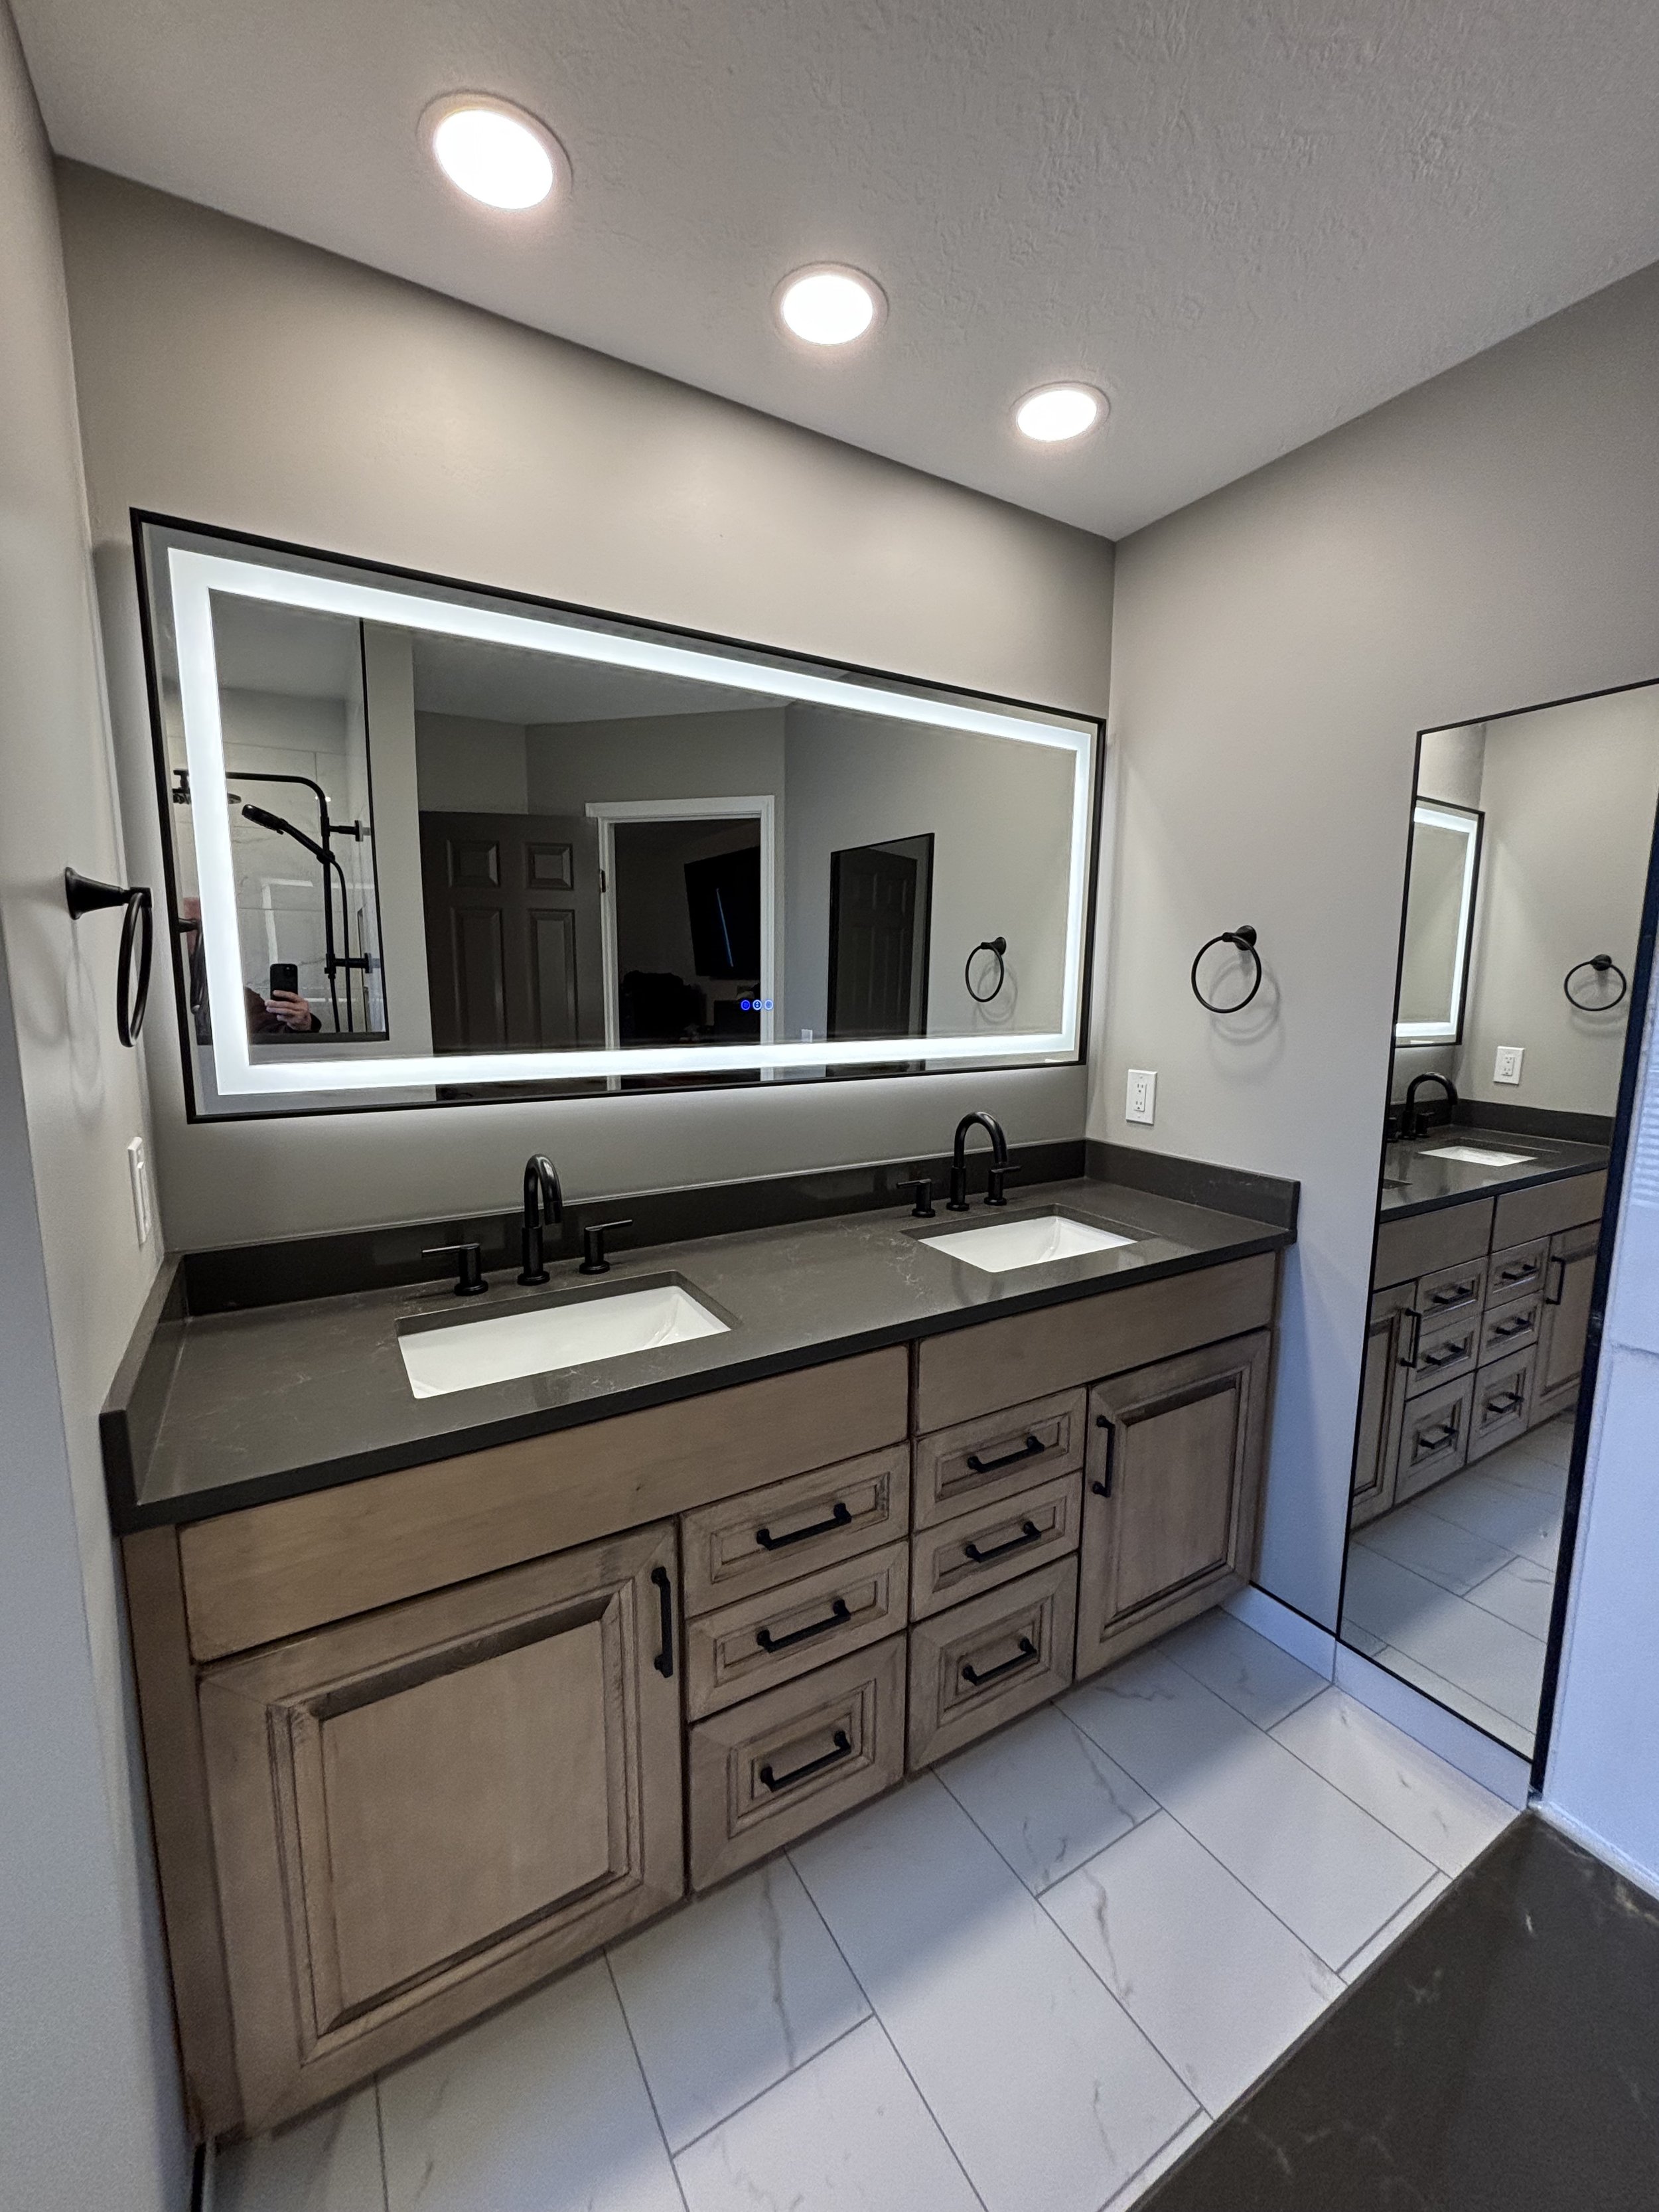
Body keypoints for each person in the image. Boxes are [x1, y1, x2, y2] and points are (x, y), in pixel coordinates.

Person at [177, 897, 323, 1038]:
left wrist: (299, 1026)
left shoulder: (235, 999)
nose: (204, 939)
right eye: (192, 928)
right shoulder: (165, 996)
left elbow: (271, 1036)